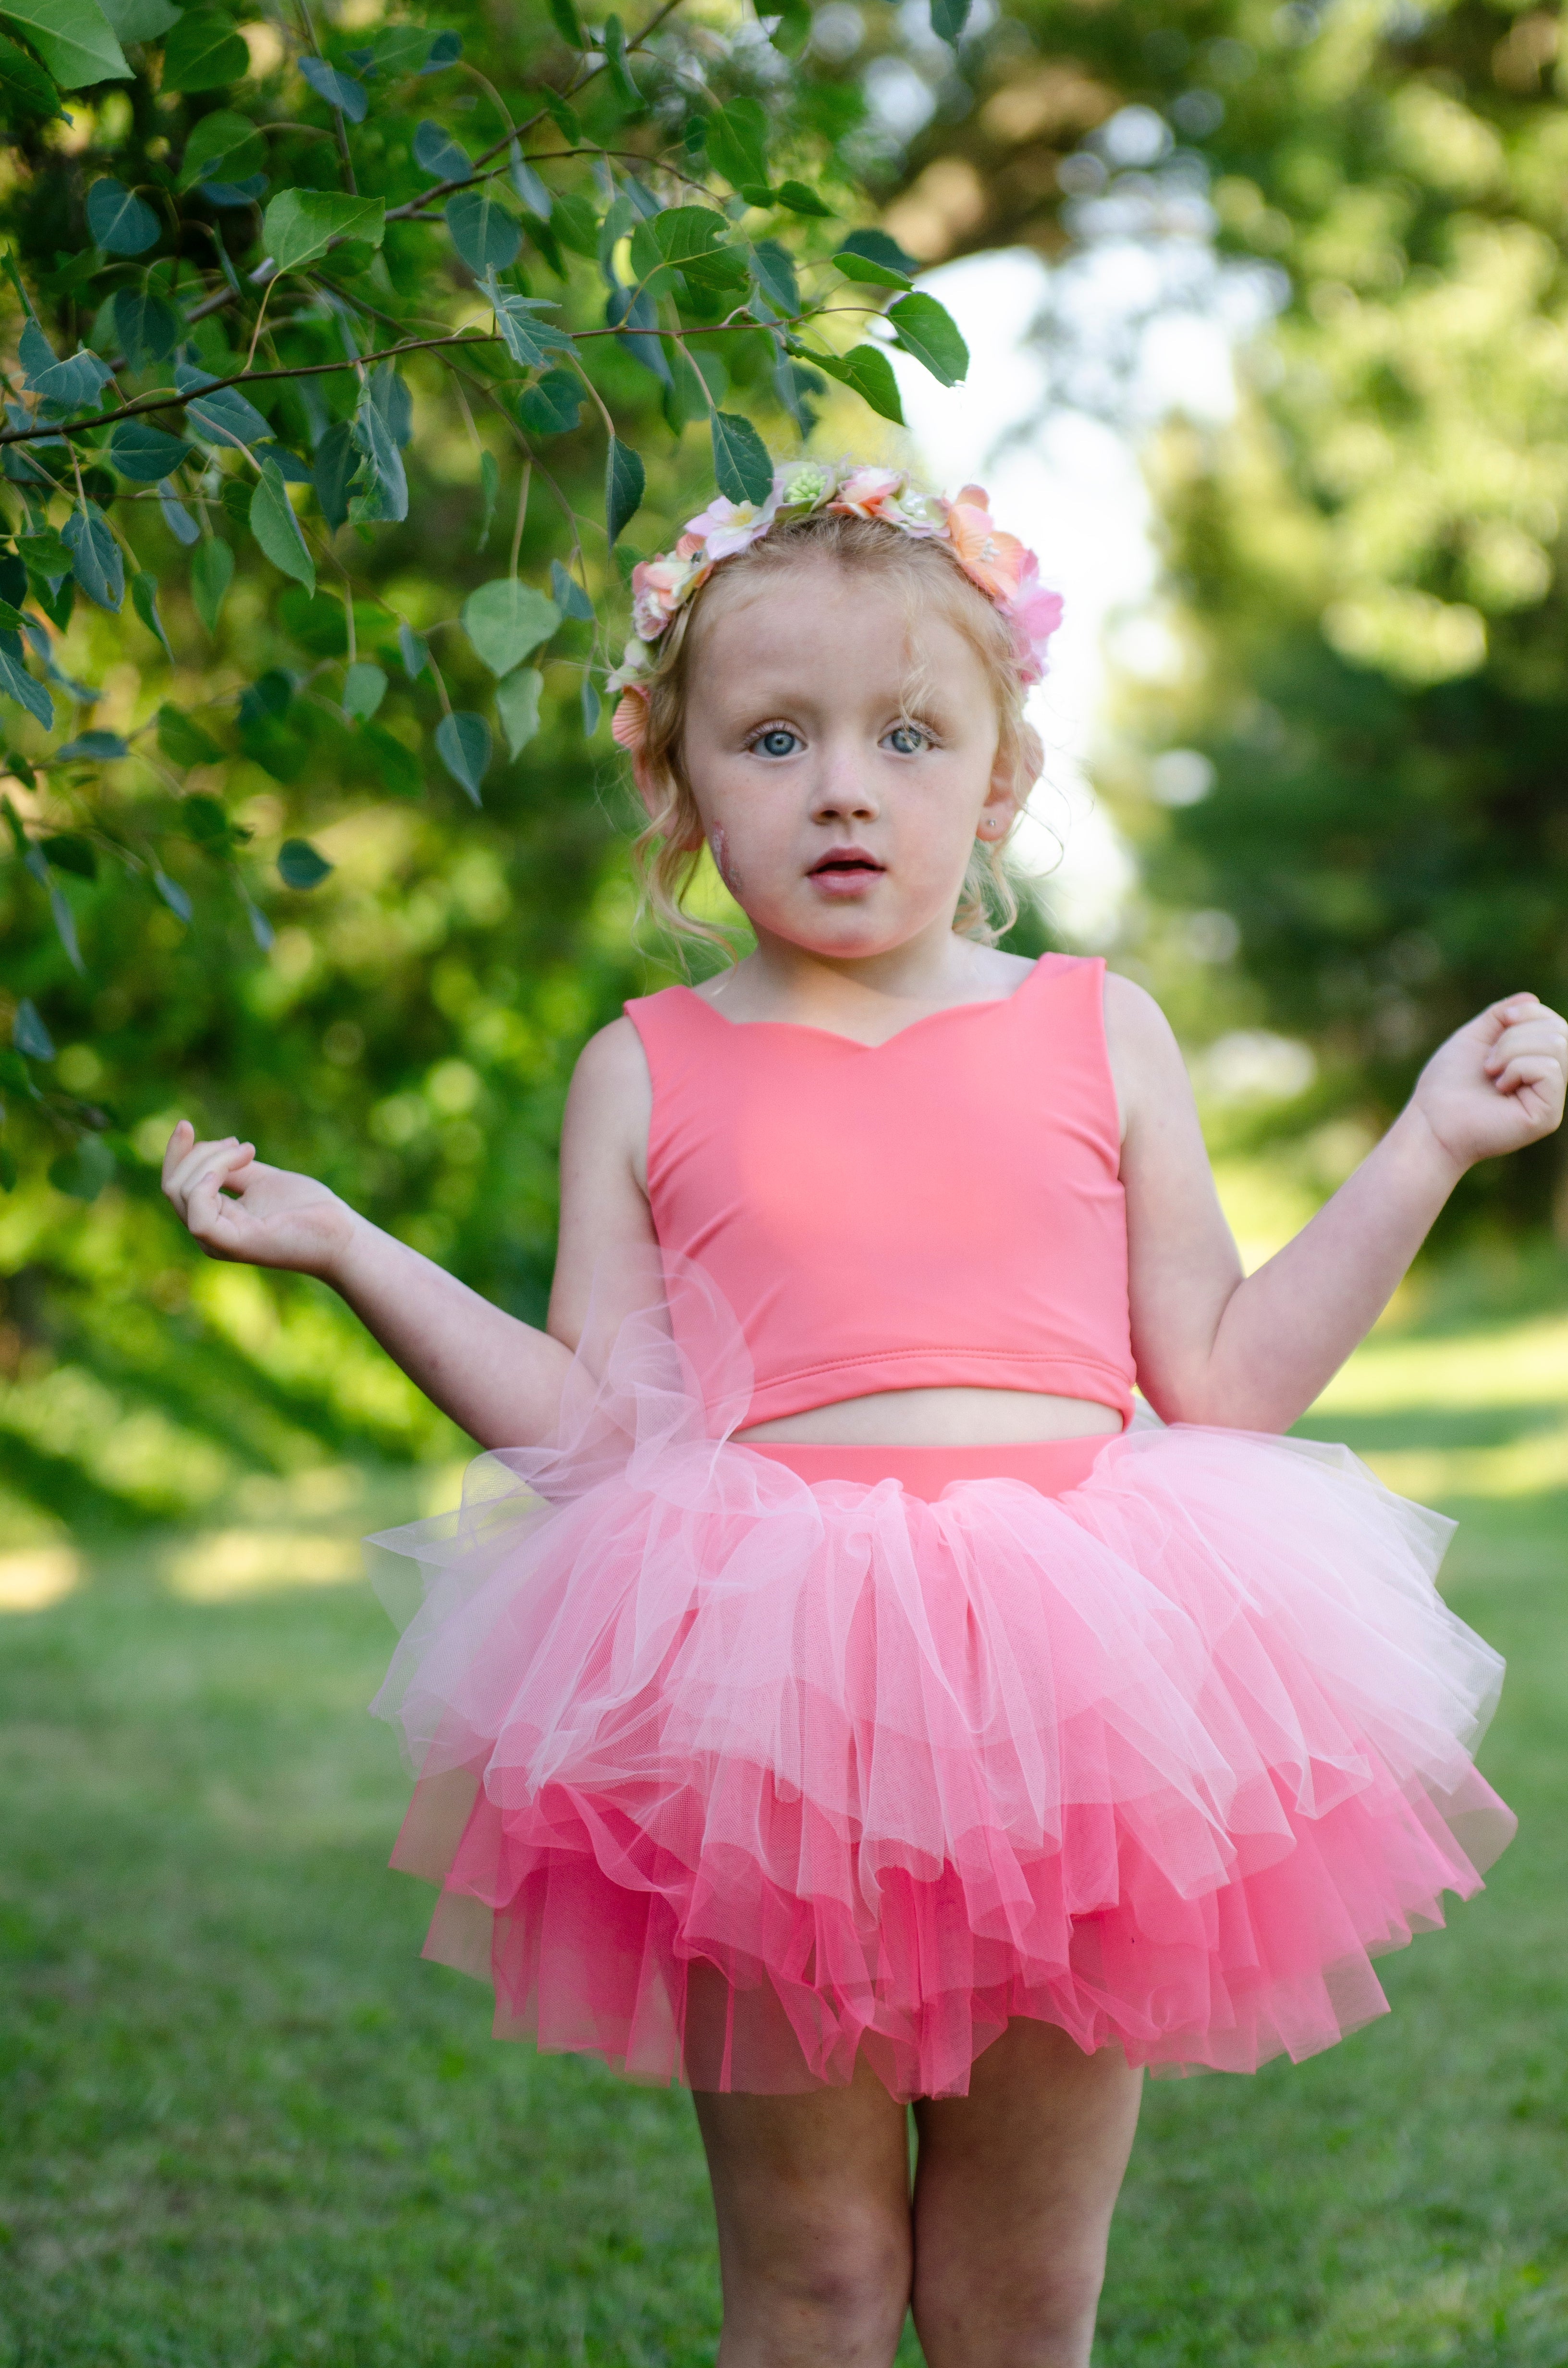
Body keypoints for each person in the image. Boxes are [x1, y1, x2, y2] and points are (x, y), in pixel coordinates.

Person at [161, 458, 1567, 2368]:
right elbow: (584, 1430)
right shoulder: (645, 1065)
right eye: (773, 736)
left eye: (908, 732)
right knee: (816, 2281)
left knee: (1017, 2294)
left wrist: (1428, 1141)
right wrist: (348, 1243)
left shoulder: (1098, 1023)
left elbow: (1227, 1378)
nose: (843, 782)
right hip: (765, 1708)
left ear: (995, 776)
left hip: (1081, 1704)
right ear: (677, 782)